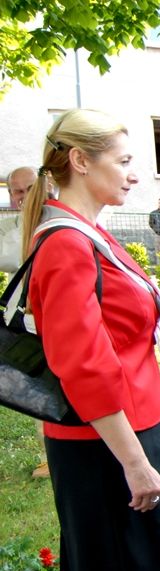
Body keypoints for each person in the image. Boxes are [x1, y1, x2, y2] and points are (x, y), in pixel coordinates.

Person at [19, 108, 160, 571]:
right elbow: (84, 366)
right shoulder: (68, 243)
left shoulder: (86, 233)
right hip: (106, 445)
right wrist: (136, 464)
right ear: (79, 160)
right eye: (123, 161)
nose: (133, 173)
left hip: (116, 435)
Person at [1, 166, 50, 479]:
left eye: (29, 188)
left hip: (63, 322)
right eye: (16, 191)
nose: (23, 197)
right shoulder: (13, 228)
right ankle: (53, 455)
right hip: (30, 326)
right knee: (45, 391)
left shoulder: (59, 222)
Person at [1, 166, 36, 272]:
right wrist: (31, 219)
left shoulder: (60, 218)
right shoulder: (4, 226)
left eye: (31, 189)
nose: (27, 195)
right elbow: (7, 261)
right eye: (19, 191)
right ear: (11, 195)